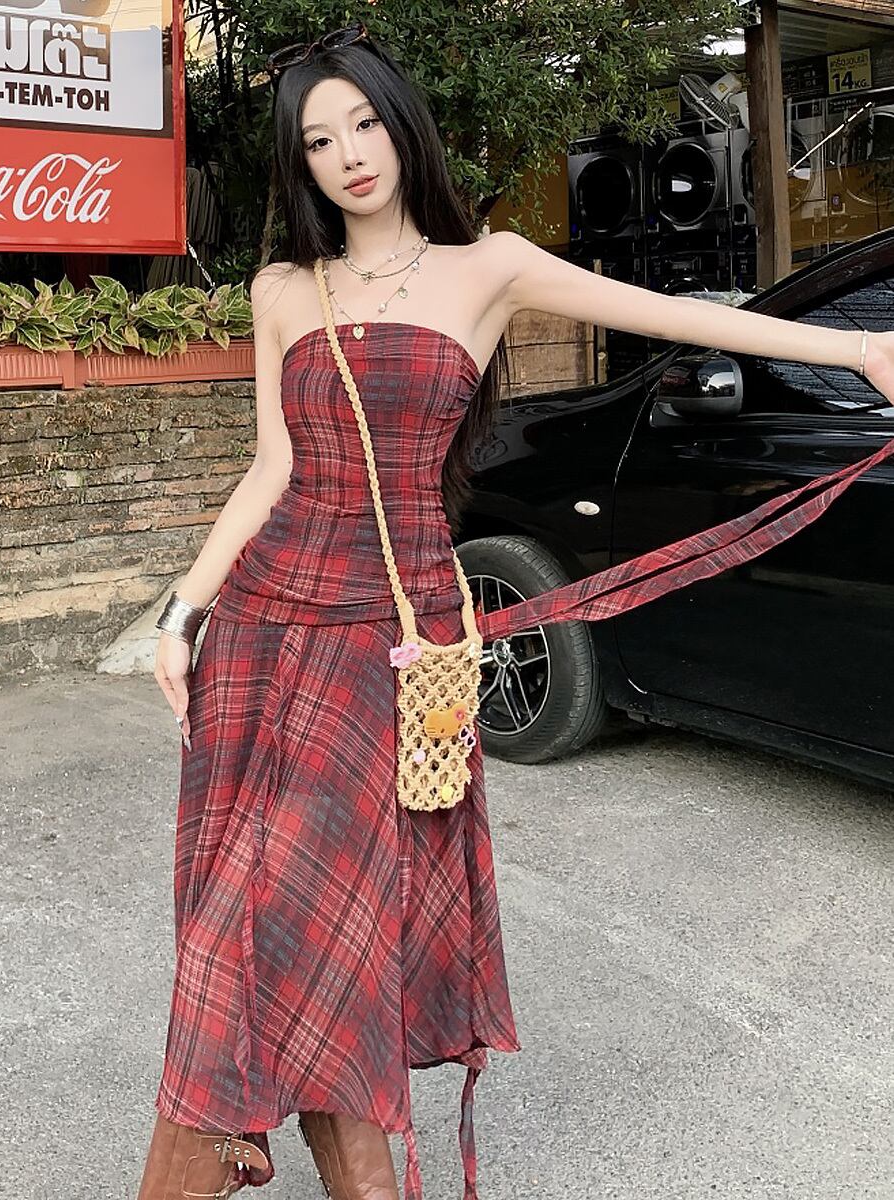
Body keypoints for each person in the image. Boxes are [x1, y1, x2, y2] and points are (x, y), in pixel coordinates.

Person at [138, 21, 894, 1200]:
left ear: (402, 125)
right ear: (300, 163)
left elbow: (681, 317)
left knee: (341, 906)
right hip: (265, 625)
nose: (349, 155)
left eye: (365, 124)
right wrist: (182, 612)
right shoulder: (283, 287)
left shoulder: (489, 266)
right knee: (246, 900)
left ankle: (281, 1145)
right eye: (320, 140)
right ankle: (249, 1140)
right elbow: (271, 467)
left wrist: (864, 355)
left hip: (393, 641)